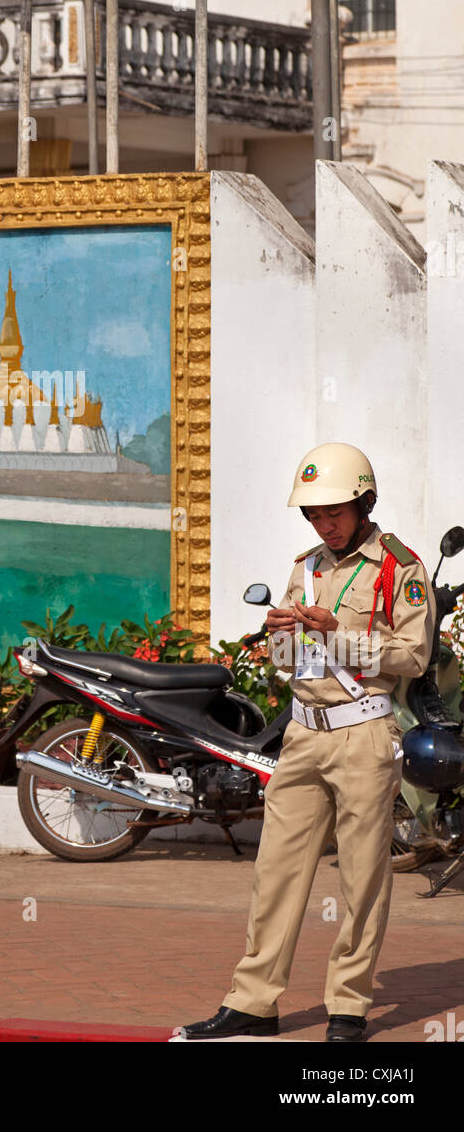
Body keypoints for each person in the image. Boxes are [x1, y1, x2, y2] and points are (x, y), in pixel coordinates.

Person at [179, 442, 434, 1043]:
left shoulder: (400, 568)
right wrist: (281, 637)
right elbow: (290, 663)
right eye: (314, 514)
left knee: (362, 876)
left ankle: (348, 1006)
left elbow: (414, 657)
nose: (324, 524)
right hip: (303, 734)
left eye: (335, 512)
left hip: (365, 735)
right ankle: (253, 1002)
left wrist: (338, 634)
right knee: (276, 873)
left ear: (364, 502)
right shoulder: (308, 566)